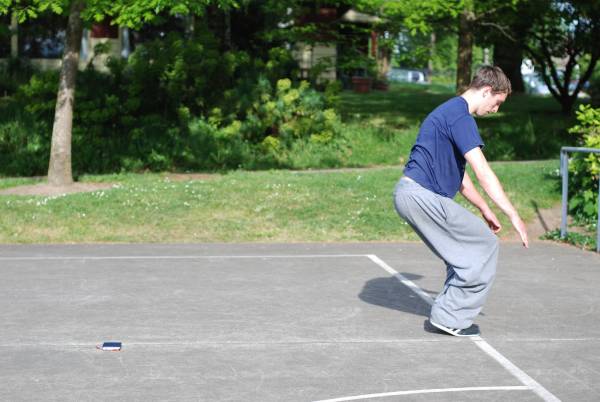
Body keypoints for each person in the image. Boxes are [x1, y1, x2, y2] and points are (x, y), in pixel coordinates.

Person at [393, 65, 529, 337]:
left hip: (411, 194)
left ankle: (449, 313)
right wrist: (513, 215)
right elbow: (483, 172)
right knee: (484, 244)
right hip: (421, 196)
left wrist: (485, 208)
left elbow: (463, 180)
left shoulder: (449, 112)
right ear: (488, 91)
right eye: (497, 102)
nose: (496, 109)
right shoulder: (460, 117)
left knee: (464, 251)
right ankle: (450, 317)